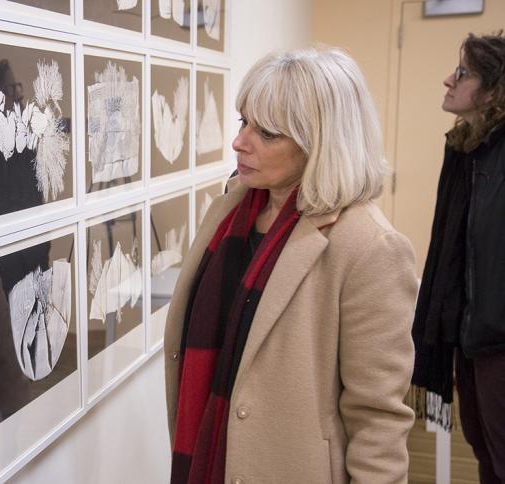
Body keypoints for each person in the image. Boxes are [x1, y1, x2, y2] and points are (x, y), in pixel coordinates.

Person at [163, 47, 418, 483]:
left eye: (268, 133)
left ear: (319, 143)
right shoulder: (230, 213)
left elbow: (378, 419)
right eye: (245, 122)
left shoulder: (369, 247)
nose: (239, 141)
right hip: (211, 458)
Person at [410, 31, 505, 484]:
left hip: (499, 339)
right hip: (470, 334)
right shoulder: (465, 148)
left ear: (493, 89)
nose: (448, 80)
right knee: (484, 450)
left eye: (463, 73)